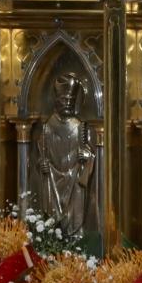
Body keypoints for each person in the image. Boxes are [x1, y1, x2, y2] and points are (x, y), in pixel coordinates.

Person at [36, 71, 96, 237]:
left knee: (75, 223)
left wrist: (87, 156)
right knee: (52, 224)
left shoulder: (78, 126)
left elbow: (89, 153)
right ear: (57, 101)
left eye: (71, 100)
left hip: (74, 181)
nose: (68, 103)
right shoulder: (47, 127)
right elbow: (41, 155)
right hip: (53, 181)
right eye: (65, 100)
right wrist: (41, 164)